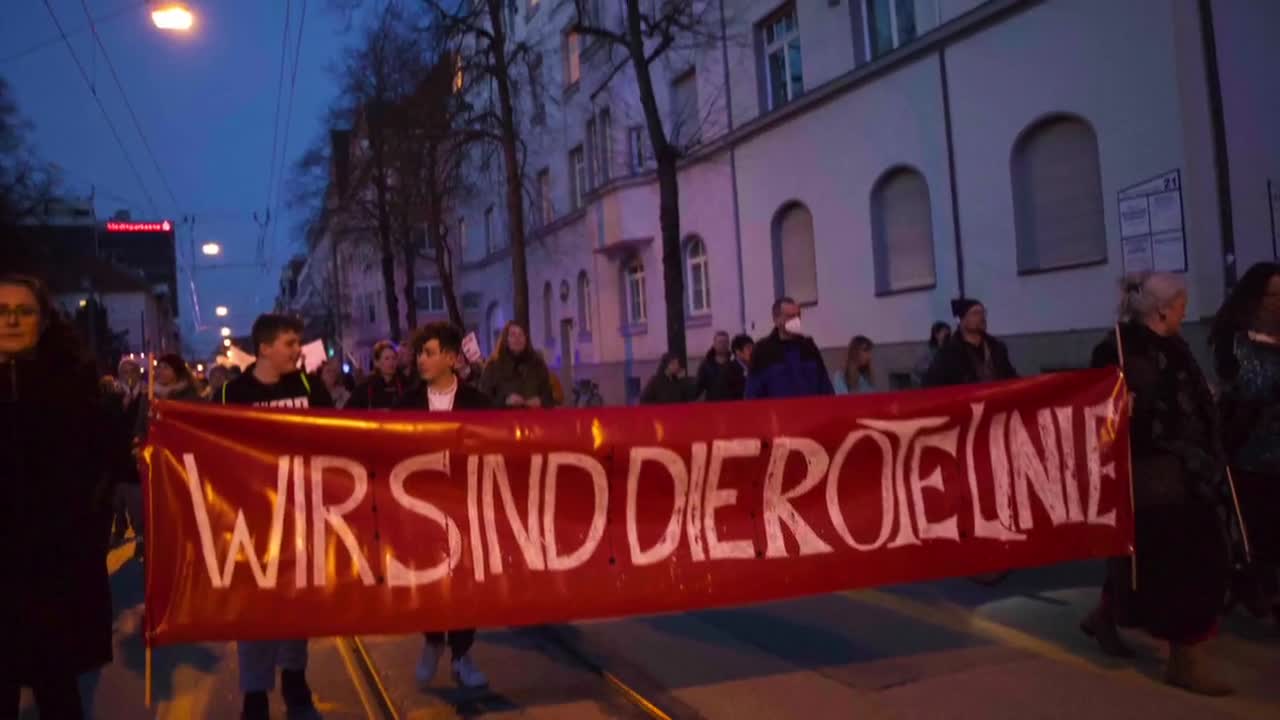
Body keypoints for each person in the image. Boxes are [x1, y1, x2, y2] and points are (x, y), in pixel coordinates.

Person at [1082, 272, 1239, 696]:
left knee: (1157, 561)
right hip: (1153, 475)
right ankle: (1184, 658)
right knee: (1185, 561)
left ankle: (1106, 615)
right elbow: (1093, 409)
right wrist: (1117, 407)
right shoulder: (1115, 348)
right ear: (1163, 308)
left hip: (1193, 468)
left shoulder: (1176, 345)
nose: (1186, 310)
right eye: (1183, 304)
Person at [1, 273, 123, 719]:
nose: (12, 320)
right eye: (1, 311)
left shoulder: (76, 388)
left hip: (54, 577)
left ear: (43, 319)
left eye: (24, 310)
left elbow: (116, 463)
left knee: (58, 693)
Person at [221, 313, 331, 719]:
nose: (297, 350)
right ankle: (255, 692)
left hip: (302, 513)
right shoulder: (232, 394)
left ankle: (295, 678)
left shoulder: (308, 386)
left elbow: (339, 435)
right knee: (254, 607)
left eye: (298, 342)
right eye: (289, 343)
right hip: (251, 520)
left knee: (295, 603)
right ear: (265, 348)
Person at [395, 321, 490, 690]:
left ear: (451, 358)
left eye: (429, 353)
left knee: (465, 582)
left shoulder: (479, 404)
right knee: (430, 581)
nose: (421, 360)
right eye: (420, 353)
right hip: (421, 508)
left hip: (466, 507)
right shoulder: (406, 406)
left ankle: (462, 654)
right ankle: (433, 641)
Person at [1209, 262, 1280, 621]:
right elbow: (1245, 386)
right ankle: (1260, 587)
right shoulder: (1234, 337)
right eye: (1272, 294)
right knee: (1262, 529)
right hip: (1251, 449)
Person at [745, 297, 834, 399]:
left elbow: (824, 384)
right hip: (779, 413)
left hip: (811, 411)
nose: (796, 320)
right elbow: (753, 392)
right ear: (776, 319)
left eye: (798, 316)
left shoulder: (808, 346)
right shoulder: (763, 350)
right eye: (790, 316)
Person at [924, 298, 1017, 387]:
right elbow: (934, 386)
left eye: (983, 312)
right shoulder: (948, 353)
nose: (982, 317)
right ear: (962, 320)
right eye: (975, 313)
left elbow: (1010, 376)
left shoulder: (997, 347)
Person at [478, 321, 555, 408]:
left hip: (533, 419)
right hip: (503, 419)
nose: (517, 338)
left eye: (521, 334)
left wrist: (541, 401)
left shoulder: (538, 365)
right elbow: (483, 401)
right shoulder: (493, 366)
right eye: (513, 335)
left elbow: (549, 398)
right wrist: (505, 401)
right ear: (506, 340)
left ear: (526, 339)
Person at [350, 340, 408, 409]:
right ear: (376, 362)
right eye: (387, 358)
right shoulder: (366, 387)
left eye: (394, 358)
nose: (391, 362)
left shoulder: (405, 384)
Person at [695, 331, 738, 401]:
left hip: (732, 405)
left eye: (726, 342)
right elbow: (698, 387)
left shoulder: (735, 362)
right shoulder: (706, 365)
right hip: (713, 405)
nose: (723, 345)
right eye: (720, 342)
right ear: (714, 344)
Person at [913, 322, 951, 386]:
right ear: (936, 334)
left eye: (948, 332)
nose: (947, 334)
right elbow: (919, 370)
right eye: (944, 332)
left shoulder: (951, 348)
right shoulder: (928, 350)